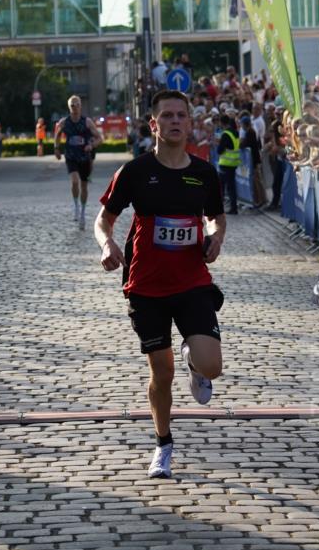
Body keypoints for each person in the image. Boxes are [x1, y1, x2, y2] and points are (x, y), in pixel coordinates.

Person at [95, 90, 226, 480]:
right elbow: (103, 219)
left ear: (189, 123)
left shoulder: (204, 173)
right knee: (161, 374)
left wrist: (216, 237)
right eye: (166, 115)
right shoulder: (135, 172)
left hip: (192, 282)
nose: (174, 121)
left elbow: (217, 218)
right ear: (153, 124)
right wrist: (107, 243)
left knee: (212, 366)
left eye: (181, 116)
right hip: (146, 286)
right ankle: (162, 444)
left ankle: (196, 363)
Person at [53, 95, 103, 230]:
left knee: (84, 185)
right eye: (72, 105)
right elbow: (57, 136)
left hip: (84, 157)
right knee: (75, 181)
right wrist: (56, 149)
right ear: (69, 107)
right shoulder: (64, 122)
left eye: (77, 104)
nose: (75, 107)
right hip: (70, 156)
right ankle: (75, 206)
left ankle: (82, 212)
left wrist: (91, 146)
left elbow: (99, 138)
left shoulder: (87, 122)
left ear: (81, 106)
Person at [217, 113, 240, 215]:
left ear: (222, 123)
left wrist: (218, 144)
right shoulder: (235, 132)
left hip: (225, 163)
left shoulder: (225, 134)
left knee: (222, 187)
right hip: (234, 163)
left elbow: (220, 150)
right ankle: (233, 207)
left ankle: (220, 208)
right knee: (231, 187)